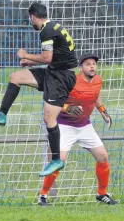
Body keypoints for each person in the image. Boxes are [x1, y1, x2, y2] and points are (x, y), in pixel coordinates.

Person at [0, 2, 77, 177]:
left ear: (32, 16)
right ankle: (1, 115)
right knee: (16, 77)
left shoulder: (47, 30)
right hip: (54, 72)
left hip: (61, 78)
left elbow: (47, 57)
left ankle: (56, 159)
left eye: (29, 18)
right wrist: (30, 62)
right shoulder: (55, 26)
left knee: (49, 118)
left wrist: (25, 55)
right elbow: (56, 57)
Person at [37, 53, 117, 206]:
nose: (92, 66)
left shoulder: (98, 80)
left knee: (103, 157)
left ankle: (102, 194)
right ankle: (43, 195)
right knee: (59, 161)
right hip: (64, 126)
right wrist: (68, 108)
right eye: (88, 64)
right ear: (81, 68)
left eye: (94, 63)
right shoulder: (71, 80)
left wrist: (103, 111)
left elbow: (95, 96)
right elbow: (53, 99)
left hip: (84, 125)